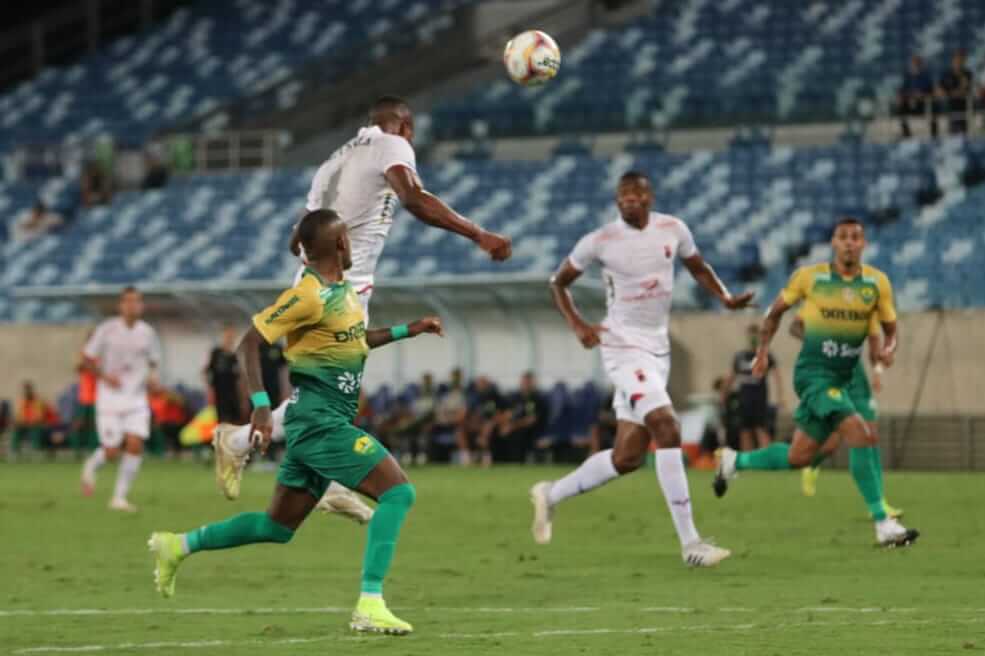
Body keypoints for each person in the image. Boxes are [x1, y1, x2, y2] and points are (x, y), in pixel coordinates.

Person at [212, 96, 512, 517]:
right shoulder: (392, 144)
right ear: (405, 127)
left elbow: (296, 240)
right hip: (340, 286)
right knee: (333, 391)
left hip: (320, 279)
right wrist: (479, 234)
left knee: (331, 391)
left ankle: (294, 466)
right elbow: (414, 198)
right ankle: (249, 446)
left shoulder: (334, 160)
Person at [149, 209, 443, 635]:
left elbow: (355, 341)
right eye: (347, 237)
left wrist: (408, 330)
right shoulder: (308, 295)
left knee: (276, 526)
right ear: (340, 244)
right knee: (398, 493)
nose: (351, 242)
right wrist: (261, 406)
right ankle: (370, 602)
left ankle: (177, 545)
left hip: (319, 423)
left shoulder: (340, 291)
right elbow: (249, 344)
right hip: (320, 423)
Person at [530, 170, 754, 567]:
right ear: (617, 200)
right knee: (667, 427)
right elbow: (557, 283)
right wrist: (578, 324)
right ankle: (691, 544)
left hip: (657, 350)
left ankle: (551, 494)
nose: (628, 199)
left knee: (627, 456)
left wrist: (725, 297)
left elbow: (698, 266)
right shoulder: (600, 240)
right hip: (621, 347)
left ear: (649, 197)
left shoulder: (673, 229)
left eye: (635, 193)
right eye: (622, 195)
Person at [713, 218, 919, 548]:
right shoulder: (810, 278)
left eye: (855, 237)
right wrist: (762, 352)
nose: (849, 242)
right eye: (843, 237)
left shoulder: (877, 283)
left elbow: (891, 331)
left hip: (841, 378)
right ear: (833, 243)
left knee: (801, 456)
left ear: (863, 244)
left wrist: (888, 352)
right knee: (860, 432)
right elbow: (774, 314)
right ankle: (883, 522)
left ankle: (734, 461)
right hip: (813, 375)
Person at [792, 312, 903, 519]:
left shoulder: (867, 308)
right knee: (830, 444)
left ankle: (879, 503)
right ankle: (811, 465)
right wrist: (817, 343)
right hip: (829, 376)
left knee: (870, 436)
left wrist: (878, 372)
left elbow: (875, 347)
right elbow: (795, 326)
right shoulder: (825, 303)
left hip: (856, 381)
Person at [79, 287, 162, 512]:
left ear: (141, 306)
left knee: (135, 444)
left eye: (136, 301)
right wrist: (104, 377)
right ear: (120, 305)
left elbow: (154, 361)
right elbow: (86, 359)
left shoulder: (147, 333)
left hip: (136, 399)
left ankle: (119, 498)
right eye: (128, 301)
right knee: (111, 450)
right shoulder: (107, 329)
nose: (132, 305)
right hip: (109, 399)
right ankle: (91, 464)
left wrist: (153, 378)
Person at [721, 324, 784, 451]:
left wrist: (781, 397)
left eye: (756, 334)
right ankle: (748, 459)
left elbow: (777, 377)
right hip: (744, 399)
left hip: (759, 398)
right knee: (745, 431)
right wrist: (724, 394)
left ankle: (766, 457)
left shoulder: (765, 355)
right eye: (751, 334)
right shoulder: (739, 356)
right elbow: (731, 377)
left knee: (761, 428)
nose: (753, 337)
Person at [494, 371, 549, 463]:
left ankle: (517, 462)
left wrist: (511, 427)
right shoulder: (515, 397)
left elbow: (531, 420)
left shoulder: (538, 398)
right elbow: (507, 414)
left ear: (533, 383)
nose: (525, 384)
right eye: (524, 382)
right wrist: (503, 425)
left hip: (533, 430)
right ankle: (498, 462)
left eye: (528, 382)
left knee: (517, 435)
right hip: (514, 427)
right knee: (498, 433)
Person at [457, 375, 507, 466]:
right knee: (460, 430)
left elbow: (503, 414)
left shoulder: (495, 397)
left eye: (484, 383)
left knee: (488, 427)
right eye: (480, 383)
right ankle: (467, 457)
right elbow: (465, 415)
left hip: (492, 425)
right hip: (475, 424)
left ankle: (485, 456)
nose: (482, 385)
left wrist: (494, 422)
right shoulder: (471, 398)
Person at [204, 326, 243, 424]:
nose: (229, 339)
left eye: (232, 336)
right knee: (221, 417)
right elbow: (207, 371)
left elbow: (239, 375)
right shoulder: (216, 352)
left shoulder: (235, 355)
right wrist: (209, 390)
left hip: (232, 392)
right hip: (219, 392)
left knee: (235, 417)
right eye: (227, 336)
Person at [896, 55, 936, 138]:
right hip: (910, 103)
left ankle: (934, 134)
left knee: (933, 107)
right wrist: (906, 96)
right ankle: (906, 134)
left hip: (923, 103)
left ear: (921, 65)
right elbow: (902, 90)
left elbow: (931, 91)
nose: (915, 65)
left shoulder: (925, 77)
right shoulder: (907, 77)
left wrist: (921, 95)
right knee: (901, 108)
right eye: (914, 63)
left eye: (917, 63)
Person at [11, 382, 54, 456]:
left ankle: (36, 449)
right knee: (16, 429)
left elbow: (39, 417)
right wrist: (19, 422)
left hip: (37, 424)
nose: (26, 392)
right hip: (25, 424)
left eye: (28, 390)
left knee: (35, 428)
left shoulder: (38, 401)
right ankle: (15, 450)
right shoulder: (22, 402)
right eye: (25, 390)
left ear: (31, 390)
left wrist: (29, 421)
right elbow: (19, 416)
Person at [938, 49, 972, 134]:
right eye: (957, 60)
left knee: (962, 130)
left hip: (963, 105)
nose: (959, 62)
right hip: (949, 104)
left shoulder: (967, 74)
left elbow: (965, 88)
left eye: (961, 60)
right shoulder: (946, 74)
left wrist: (956, 92)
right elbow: (939, 89)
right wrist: (948, 93)